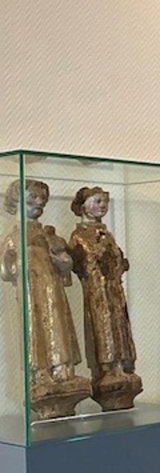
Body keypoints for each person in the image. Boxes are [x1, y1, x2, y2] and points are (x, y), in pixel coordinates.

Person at [1, 179, 91, 419]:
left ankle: (63, 370)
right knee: (34, 328)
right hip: (31, 289)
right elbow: (5, 271)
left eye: (42, 199)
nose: (39, 203)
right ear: (17, 200)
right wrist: (14, 262)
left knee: (59, 325)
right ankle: (40, 373)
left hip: (53, 288)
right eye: (32, 198)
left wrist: (63, 261)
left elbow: (66, 264)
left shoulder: (49, 234)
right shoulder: (13, 237)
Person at [68, 186, 143, 409]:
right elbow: (81, 264)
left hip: (113, 289)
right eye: (97, 201)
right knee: (103, 326)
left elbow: (117, 259)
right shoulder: (79, 235)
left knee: (120, 326)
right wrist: (99, 250)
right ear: (83, 206)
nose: (103, 206)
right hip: (97, 290)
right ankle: (107, 368)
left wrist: (120, 263)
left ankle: (122, 366)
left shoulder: (106, 233)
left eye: (105, 202)